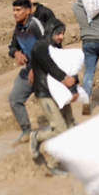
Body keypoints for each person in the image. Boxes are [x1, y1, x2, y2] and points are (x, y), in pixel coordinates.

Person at [28, 18, 77, 175]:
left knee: (70, 127)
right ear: (50, 32)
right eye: (59, 34)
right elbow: (51, 66)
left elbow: (67, 67)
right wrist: (64, 78)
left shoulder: (57, 47)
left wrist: (74, 88)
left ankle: (65, 158)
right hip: (45, 93)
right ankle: (47, 156)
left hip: (60, 94)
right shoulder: (40, 47)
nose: (61, 37)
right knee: (61, 130)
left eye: (63, 33)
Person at [7, 0, 45, 144]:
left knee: (51, 102)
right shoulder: (18, 27)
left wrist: (35, 69)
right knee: (14, 98)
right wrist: (16, 53)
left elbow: (46, 48)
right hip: (28, 71)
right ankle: (27, 132)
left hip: (43, 71)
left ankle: (64, 129)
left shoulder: (35, 25)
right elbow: (12, 47)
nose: (15, 13)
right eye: (14, 10)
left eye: (18, 10)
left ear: (28, 11)